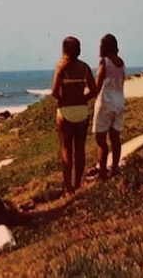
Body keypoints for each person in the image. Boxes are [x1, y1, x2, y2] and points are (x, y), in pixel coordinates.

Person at [51, 36, 97, 196]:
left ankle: (67, 187)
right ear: (79, 50)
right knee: (80, 149)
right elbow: (94, 89)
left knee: (66, 149)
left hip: (65, 111)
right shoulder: (84, 67)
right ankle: (78, 183)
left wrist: (65, 99)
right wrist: (82, 98)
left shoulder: (61, 67)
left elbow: (55, 92)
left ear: (64, 50)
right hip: (82, 111)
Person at [92, 34, 126, 179]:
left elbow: (97, 86)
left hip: (105, 103)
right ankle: (115, 168)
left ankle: (102, 173)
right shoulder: (121, 62)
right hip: (119, 102)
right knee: (115, 137)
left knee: (100, 139)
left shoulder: (104, 62)